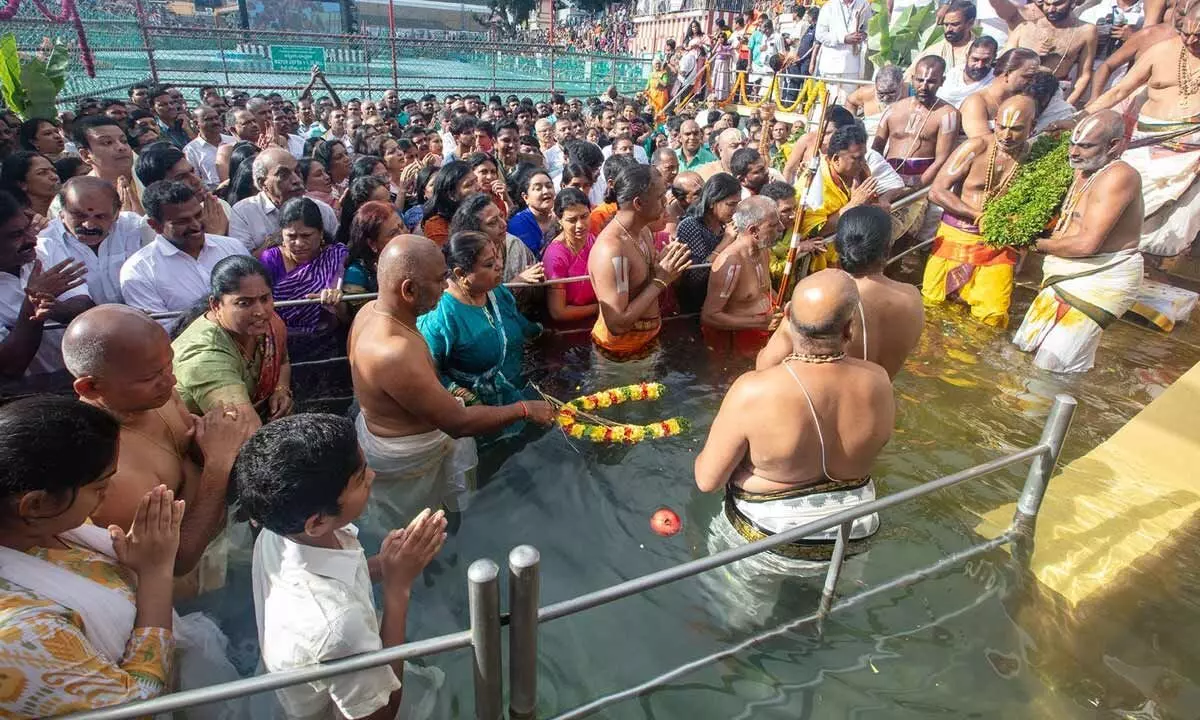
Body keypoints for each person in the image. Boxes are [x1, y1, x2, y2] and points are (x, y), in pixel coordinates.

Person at [696, 271, 894, 618]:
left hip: (771, 540)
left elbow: (707, 480)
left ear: (786, 317)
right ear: (849, 329)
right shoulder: (878, 380)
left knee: (737, 622)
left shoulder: (753, 391)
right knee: (834, 613)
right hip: (854, 534)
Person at [237, 413, 447, 720]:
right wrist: (398, 587)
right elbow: (382, 712)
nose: (372, 476)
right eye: (360, 478)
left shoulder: (276, 531)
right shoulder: (338, 629)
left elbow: (348, 571)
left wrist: (389, 564)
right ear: (318, 521)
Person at [0, 397, 185, 717]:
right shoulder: (22, 634)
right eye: (100, 487)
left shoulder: (48, 527)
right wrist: (155, 574)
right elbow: (138, 709)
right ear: (35, 505)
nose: (110, 492)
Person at [348, 236, 554, 522]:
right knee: (420, 527)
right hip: (409, 459)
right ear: (409, 290)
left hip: (400, 438)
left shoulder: (367, 313)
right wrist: (524, 410)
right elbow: (458, 423)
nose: (446, 286)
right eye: (439, 279)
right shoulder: (394, 352)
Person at [63, 305, 255, 596]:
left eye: (169, 366)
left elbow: (190, 444)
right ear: (90, 387)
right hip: (187, 585)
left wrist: (214, 435)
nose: (171, 381)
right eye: (151, 376)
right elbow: (177, 560)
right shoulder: (107, 468)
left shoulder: (158, 393)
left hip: (221, 539)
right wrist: (218, 463)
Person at [1013, 111, 1145, 373]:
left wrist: (1031, 243)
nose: (1073, 152)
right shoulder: (1082, 169)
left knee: (1052, 365)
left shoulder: (1118, 176)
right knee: (1025, 348)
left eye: (1085, 146)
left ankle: (1059, 409)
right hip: (1067, 270)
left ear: (1114, 145)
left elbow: (1086, 245)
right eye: (1073, 143)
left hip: (1102, 277)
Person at [1085, 2, 1200, 258]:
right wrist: (1084, 117)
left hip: (1192, 156)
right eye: (1186, 32)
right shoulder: (1161, 51)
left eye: (1199, 36)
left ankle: (1153, 267)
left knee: (1170, 232)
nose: (1191, 40)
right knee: (1118, 207)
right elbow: (1119, 90)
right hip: (1143, 147)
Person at [759, 206, 923, 378]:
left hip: (826, 401)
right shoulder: (912, 298)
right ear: (889, 246)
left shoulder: (823, 297)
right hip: (879, 399)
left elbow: (765, 366)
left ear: (838, 246)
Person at [922, 95, 1036, 327]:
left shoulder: (1035, 158)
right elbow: (936, 192)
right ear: (995, 120)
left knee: (992, 318)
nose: (1006, 135)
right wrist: (978, 216)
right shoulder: (976, 147)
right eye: (1002, 127)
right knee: (932, 308)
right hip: (955, 238)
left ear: (1031, 127)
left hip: (997, 246)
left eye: (1016, 129)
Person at [419, 231, 543, 440]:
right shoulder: (440, 317)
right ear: (460, 273)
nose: (499, 266)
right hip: (475, 418)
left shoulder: (496, 292)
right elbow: (428, 375)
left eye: (497, 257)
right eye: (488, 264)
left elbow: (518, 324)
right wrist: (464, 396)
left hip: (514, 392)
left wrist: (544, 333)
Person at [171, 254, 292, 425]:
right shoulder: (204, 355)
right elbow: (240, 426)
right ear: (216, 305)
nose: (261, 311)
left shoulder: (270, 324)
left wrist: (281, 389)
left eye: (265, 299)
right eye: (244, 303)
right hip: (197, 441)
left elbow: (283, 361)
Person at [588, 163, 691, 360]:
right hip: (618, 354)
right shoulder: (612, 250)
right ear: (638, 204)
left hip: (648, 342)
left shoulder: (642, 230)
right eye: (660, 197)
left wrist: (664, 264)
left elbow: (643, 282)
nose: (665, 203)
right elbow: (617, 324)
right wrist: (662, 278)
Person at [120, 180, 247, 318]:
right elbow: (161, 330)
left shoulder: (233, 248)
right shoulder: (139, 271)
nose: (196, 225)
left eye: (198, 215)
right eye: (182, 221)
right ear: (155, 225)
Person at [0, 189, 88, 376]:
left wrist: (51, 306)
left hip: (79, 378)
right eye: (16, 235)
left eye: (28, 228)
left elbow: (85, 306)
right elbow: (9, 368)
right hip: (25, 396)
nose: (32, 240)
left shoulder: (45, 248)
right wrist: (31, 306)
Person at [37, 176, 143, 306]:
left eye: (100, 217)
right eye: (79, 216)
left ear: (116, 214)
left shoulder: (135, 227)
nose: (89, 225)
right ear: (62, 213)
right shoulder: (45, 244)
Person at [700, 197, 783, 356]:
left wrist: (785, 307)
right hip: (738, 348)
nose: (781, 227)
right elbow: (709, 317)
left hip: (764, 337)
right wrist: (762, 323)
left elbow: (766, 290)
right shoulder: (730, 263)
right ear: (754, 231)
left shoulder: (763, 250)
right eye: (773, 225)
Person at [797, 124, 882, 270]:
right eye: (857, 158)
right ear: (836, 159)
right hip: (812, 265)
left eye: (864, 157)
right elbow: (816, 231)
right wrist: (854, 204)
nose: (862, 163)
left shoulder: (852, 173)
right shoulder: (816, 181)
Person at [259, 197, 348, 337]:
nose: (299, 243)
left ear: (321, 233)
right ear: (282, 234)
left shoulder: (335, 256)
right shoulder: (271, 260)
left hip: (327, 341)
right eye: (291, 236)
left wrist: (336, 302)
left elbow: (346, 318)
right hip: (280, 339)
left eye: (306, 235)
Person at [228, 148, 339, 253]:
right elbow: (244, 264)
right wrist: (276, 240)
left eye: (297, 171)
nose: (296, 180)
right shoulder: (243, 213)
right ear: (263, 183)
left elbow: (337, 253)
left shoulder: (322, 209)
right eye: (284, 175)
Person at [874, 56, 961, 189]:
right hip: (887, 179)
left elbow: (942, 159)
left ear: (941, 81)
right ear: (912, 78)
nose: (924, 86)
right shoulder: (892, 109)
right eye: (920, 80)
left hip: (922, 182)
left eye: (931, 81)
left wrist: (917, 185)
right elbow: (876, 151)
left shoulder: (948, 115)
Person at [1004, 0, 1098, 106]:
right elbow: (1003, 67)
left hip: (1053, 97)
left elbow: (1084, 75)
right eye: (1047, 4)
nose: (1051, 9)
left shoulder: (1086, 31)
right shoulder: (1025, 27)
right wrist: (1030, 55)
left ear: (1072, 3)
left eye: (1058, 4)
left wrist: (1067, 105)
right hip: (1016, 95)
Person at [134, 142, 232, 238]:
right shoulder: (148, 228)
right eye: (181, 177)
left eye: (192, 171)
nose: (196, 181)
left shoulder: (218, 207)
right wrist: (215, 236)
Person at [675, 172, 741, 312]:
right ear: (712, 203)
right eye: (730, 205)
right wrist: (726, 242)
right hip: (697, 308)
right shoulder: (691, 226)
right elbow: (695, 276)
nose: (735, 210)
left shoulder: (726, 226)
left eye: (737, 204)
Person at [543, 187, 598, 325]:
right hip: (570, 329)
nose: (580, 225)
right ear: (560, 220)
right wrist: (599, 308)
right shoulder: (555, 256)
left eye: (584, 216)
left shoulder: (593, 240)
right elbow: (558, 312)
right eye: (572, 220)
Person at [960, 48, 1041, 137]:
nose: (1033, 81)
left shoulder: (1024, 100)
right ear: (1006, 73)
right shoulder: (976, 103)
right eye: (1028, 76)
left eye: (1035, 76)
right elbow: (984, 145)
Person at [72, 116, 141, 215]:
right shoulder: (75, 196)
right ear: (86, 155)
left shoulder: (157, 177)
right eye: (107, 142)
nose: (121, 147)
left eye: (124, 141)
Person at [343, 199, 406, 296]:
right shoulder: (356, 274)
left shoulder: (415, 254)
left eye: (402, 226)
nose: (403, 234)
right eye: (393, 233)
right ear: (372, 244)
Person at [815, 0, 872, 95]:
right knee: (830, 104)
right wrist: (843, 39)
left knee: (848, 104)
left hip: (852, 66)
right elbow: (820, 35)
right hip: (831, 67)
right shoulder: (829, 6)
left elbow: (870, 28)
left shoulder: (864, 4)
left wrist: (864, 35)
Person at [421, 161, 477, 246]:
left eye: (476, 180)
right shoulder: (437, 227)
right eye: (469, 185)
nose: (478, 187)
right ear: (452, 195)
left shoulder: (482, 209)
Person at [507, 168, 558, 256]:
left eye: (549, 186)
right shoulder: (517, 225)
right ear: (526, 197)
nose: (546, 191)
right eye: (538, 188)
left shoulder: (563, 216)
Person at [939, 36, 1000, 108]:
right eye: (975, 59)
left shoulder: (995, 82)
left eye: (986, 60)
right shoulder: (953, 74)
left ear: (994, 58)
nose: (979, 65)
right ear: (967, 56)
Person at [846, 66, 905, 136]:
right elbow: (850, 101)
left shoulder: (912, 94)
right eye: (881, 93)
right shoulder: (866, 93)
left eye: (891, 92)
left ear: (901, 84)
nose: (885, 98)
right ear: (876, 86)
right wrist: (852, 124)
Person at [1, 150, 61, 218]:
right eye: (42, 173)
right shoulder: (14, 222)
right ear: (22, 184)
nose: (55, 177)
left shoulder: (62, 212)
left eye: (54, 171)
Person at [184, 105, 231, 190]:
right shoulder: (191, 150)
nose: (215, 122)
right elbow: (195, 180)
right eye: (208, 119)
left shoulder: (232, 141)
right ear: (196, 123)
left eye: (216, 118)